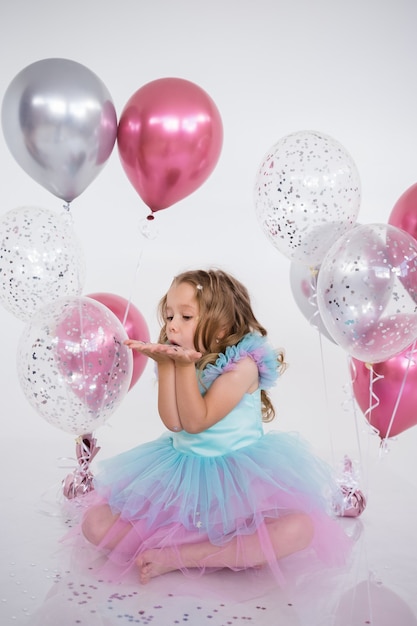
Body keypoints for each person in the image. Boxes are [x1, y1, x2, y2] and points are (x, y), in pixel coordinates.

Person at [80, 268, 351, 585]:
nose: (172, 326)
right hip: (181, 475)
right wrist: (167, 365)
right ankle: (217, 548)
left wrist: (183, 366)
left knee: (300, 528)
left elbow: (197, 422)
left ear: (221, 328)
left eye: (185, 316)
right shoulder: (184, 359)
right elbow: (174, 422)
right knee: (94, 524)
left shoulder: (244, 365)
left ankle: (184, 555)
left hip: (239, 480)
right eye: (169, 316)